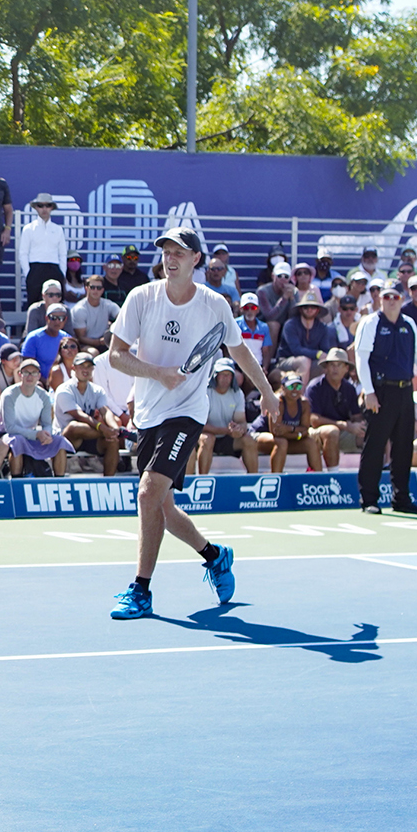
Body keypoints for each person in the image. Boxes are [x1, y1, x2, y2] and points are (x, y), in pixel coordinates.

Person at [106, 227, 278, 621]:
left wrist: (267, 393)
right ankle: (214, 556)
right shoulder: (141, 297)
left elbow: (240, 353)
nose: (170, 258)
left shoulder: (215, 305)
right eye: (166, 251)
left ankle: (141, 590)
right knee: (163, 508)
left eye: (179, 252)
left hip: (187, 412)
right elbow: (116, 356)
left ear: (196, 259)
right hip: (149, 413)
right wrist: (157, 373)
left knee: (148, 495)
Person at [355, 282, 417, 514]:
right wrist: (370, 392)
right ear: (380, 299)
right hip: (381, 391)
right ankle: (369, 499)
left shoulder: (409, 323)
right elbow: (361, 358)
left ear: (401, 297)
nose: (391, 300)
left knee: (404, 446)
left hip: (405, 391)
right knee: (375, 444)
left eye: (395, 296)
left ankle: (401, 498)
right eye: (386, 296)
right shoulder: (371, 322)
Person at [0, 357, 70, 476]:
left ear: (38, 376)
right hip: (9, 435)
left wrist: (47, 435)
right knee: (18, 441)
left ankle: (60, 481)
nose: (30, 376)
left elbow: (47, 423)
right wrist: (37, 435)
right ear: (20, 374)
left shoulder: (44, 396)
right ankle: (16, 481)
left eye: (34, 373)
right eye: (26, 372)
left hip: (33, 434)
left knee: (60, 441)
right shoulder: (9, 395)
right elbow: (10, 428)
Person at [54, 352, 121, 476]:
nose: (86, 370)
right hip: (67, 438)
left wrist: (114, 427)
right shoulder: (64, 390)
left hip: (90, 436)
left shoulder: (97, 390)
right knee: (75, 426)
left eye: (89, 366)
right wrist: (105, 429)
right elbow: (79, 415)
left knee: (113, 440)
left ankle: (109, 482)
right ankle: (111, 434)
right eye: (82, 366)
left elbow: (105, 411)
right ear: (73, 368)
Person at [196, 359, 259, 474]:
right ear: (215, 375)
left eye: (229, 375)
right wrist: (226, 430)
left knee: (249, 440)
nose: (225, 378)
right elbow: (199, 425)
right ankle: (202, 479)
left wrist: (239, 430)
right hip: (206, 437)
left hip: (227, 438)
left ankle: (254, 479)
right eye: (222, 375)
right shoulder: (204, 392)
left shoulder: (238, 393)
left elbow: (242, 421)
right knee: (208, 439)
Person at [307, 348, 365, 469]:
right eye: (332, 365)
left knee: (371, 431)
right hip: (315, 433)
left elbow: (355, 415)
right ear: (326, 367)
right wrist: (344, 425)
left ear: (346, 369)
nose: (335, 368)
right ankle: (333, 475)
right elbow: (313, 420)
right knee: (332, 432)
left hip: (343, 430)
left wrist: (360, 424)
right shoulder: (315, 387)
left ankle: (375, 473)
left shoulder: (349, 388)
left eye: (339, 365)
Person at [267, 371, 323, 471]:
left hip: (289, 439)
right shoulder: (277, 402)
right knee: (282, 442)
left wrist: (289, 429)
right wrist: (298, 432)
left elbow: (305, 430)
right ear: (283, 387)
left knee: (311, 442)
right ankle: (276, 478)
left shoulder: (304, 403)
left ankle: (318, 479)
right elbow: (276, 432)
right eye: (291, 386)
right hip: (263, 435)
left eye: (298, 387)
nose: (294, 390)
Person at [17, 193, 66, 307]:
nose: (44, 209)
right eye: (40, 205)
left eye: (48, 205)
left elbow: (62, 254)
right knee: (34, 305)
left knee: (56, 305)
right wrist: (29, 273)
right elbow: (23, 253)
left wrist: (61, 273)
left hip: (54, 269)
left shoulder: (58, 229)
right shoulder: (28, 228)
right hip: (35, 269)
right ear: (36, 208)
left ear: (52, 208)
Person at [276, 291, 336, 381]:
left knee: (326, 364)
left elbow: (325, 350)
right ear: (300, 309)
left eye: (313, 307)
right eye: (306, 307)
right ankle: (301, 394)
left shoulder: (322, 327)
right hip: (286, 361)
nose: (309, 309)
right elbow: (296, 349)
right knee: (304, 361)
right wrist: (317, 354)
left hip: (312, 362)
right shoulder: (290, 325)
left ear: (318, 310)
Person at [70, 276, 118, 352]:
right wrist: (99, 342)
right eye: (92, 287)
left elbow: (122, 317)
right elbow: (81, 338)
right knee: (94, 352)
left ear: (102, 290)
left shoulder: (108, 304)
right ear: (86, 288)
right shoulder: (79, 309)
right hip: (84, 345)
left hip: (104, 343)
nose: (95, 290)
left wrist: (113, 328)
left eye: (98, 288)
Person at [22, 303, 69, 380]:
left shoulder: (67, 338)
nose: (57, 321)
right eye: (53, 318)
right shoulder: (33, 337)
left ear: (65, 320)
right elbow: (28, 365)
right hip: (38, 382)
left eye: (61, 318)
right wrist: (45, 381)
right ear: (46, 318)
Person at [236, 293, 271, 366]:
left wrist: (265, 368)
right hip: (238, 365)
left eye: (253, 308)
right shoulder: (235, 324)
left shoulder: (264, 327)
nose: (249, 311)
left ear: (258, 309)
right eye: (246, 308)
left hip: (258, 365)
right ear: (241, 309)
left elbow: (266, 351)